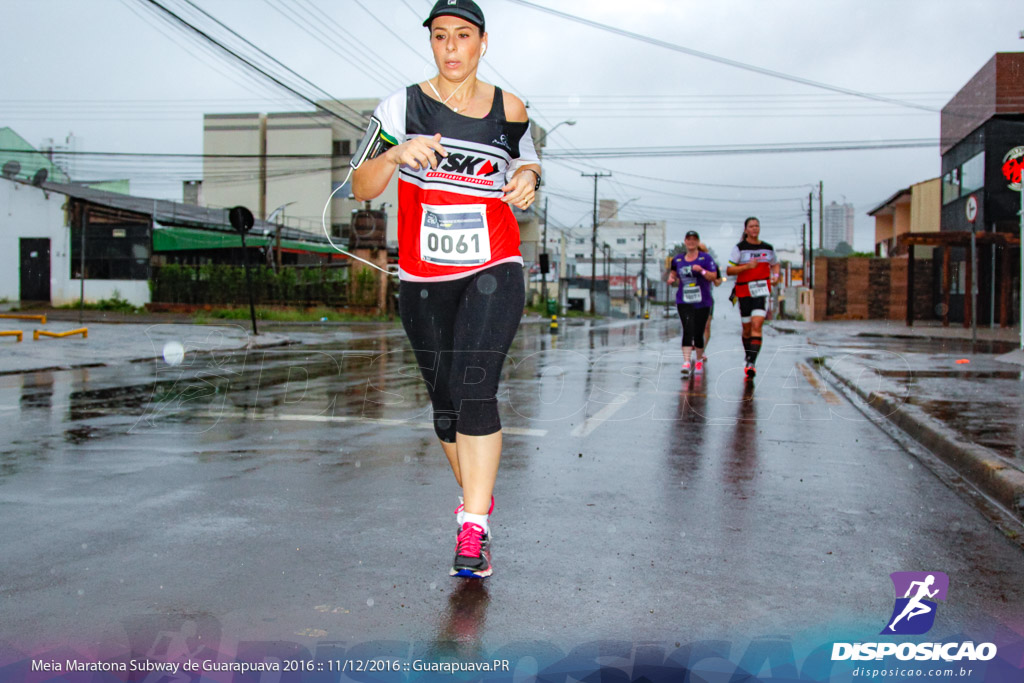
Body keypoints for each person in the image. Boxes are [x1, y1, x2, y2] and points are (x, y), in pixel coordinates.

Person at [351, 0, 541, 579]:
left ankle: (472, 528)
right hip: (424, 275)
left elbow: (526, 160)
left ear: (483, 42)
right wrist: (395, 151)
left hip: (494, 263)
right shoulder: (399, 106)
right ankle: (478, 502)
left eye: (463, 35)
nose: (452, 47)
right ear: (430, 43)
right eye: (440, 36)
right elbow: (360, 186)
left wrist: (528, 179)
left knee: (475, 386)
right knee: (446, 408)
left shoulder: (509, 107)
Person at [725, 217, 779, 379]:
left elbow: (775, 263)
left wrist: (775, 275)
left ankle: (752, 363)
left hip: (761, 291)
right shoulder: (739, 248)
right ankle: (748, 355)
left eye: (757, 226)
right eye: (751, 226)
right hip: (744, 292)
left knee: (757, 324)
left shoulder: (767, 248)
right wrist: (747, 266)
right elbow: (729, 270)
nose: (755, 229)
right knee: (747, 329)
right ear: (746, 229)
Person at [667, 231, 718, 375]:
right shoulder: (677, 259)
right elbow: (673, 274)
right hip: (684, 299)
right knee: (687, 328)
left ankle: (699, 359)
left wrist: (701, 271)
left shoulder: (706, 258)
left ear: (697, 242)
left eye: (694, 240)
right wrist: (671, 279)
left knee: (698, 332)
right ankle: (687, 362)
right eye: (688, 239)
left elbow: (714, 276)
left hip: (702, 300)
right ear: (685, 241)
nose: (691, 242)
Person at [698, 241, 725, 351]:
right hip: (691, 299)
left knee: (706, 326)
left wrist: (712, 278)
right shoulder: (687, 262)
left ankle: (702, 350)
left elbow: (718, 282)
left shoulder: (711, 265)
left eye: (701, 251)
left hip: (707, 298)